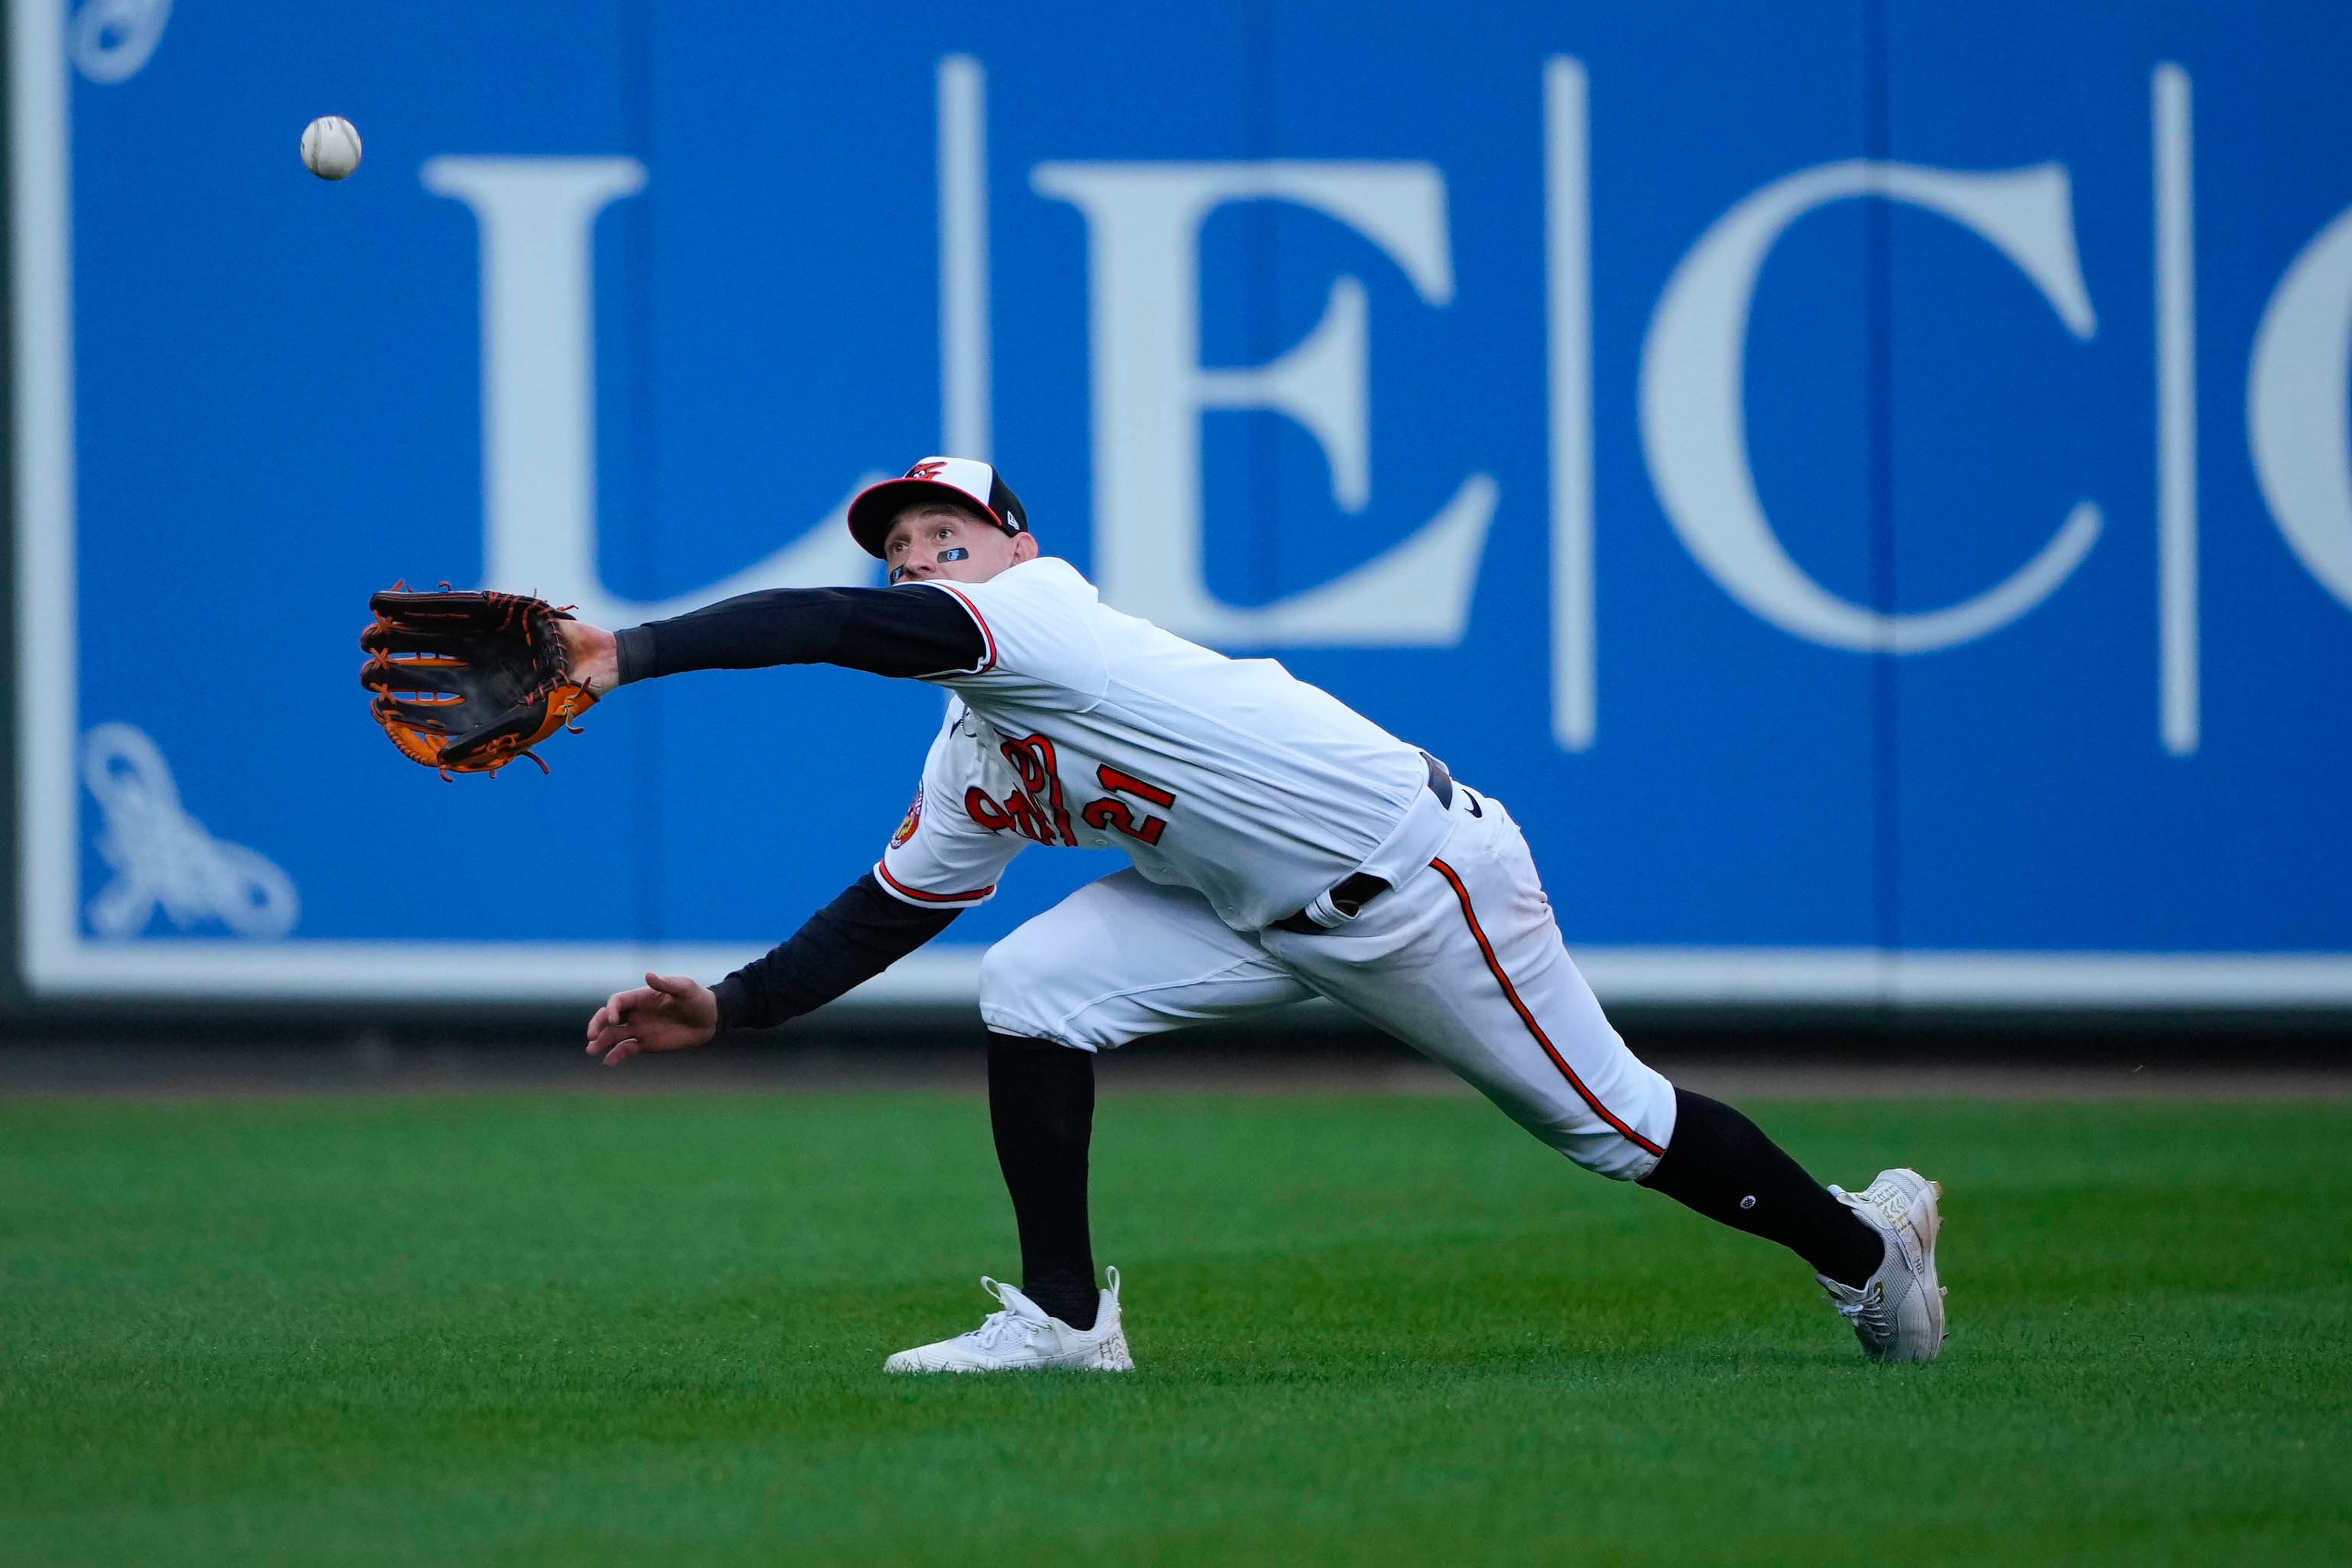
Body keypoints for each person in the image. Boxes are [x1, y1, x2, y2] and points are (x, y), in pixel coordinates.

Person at [568, 456, 1946, 1373]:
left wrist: (628, 653)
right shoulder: (974, 751)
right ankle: (1063, 1319)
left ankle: (1868, 1255)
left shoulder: (1043, 619)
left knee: (1614, 1128)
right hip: (1241, 913)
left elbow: (829, 630)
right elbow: (890, 908)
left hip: (1419, 885)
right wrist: (735, 1005)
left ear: (1019, 547)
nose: (920, 559)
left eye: (948, 535)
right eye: (901, 548)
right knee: (1033, 984)